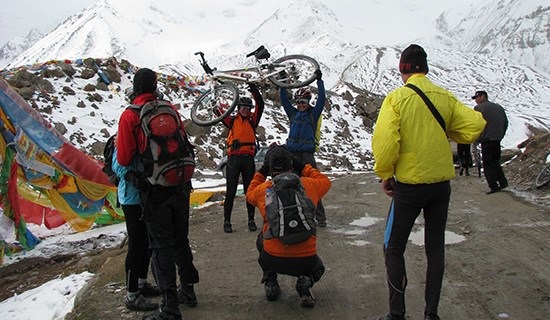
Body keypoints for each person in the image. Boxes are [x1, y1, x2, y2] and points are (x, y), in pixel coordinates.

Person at [372, 44, 486, 320]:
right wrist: (447, 130)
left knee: (393, 248)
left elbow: (386, 142)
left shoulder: (397, 99)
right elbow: (475, 125)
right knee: (434, 248)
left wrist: (386, 173)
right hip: (440, 186)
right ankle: (430, 314)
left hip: (410, 187)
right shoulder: (444, 97)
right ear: (425, 68)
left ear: (403, 70)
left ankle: (397, 313)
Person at [117, 68, 199, 320]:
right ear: (155, 86)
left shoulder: (130, 116)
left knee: (160, 245)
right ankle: (188, 290)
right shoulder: (170, 109)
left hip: (154, 189)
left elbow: (123, 157)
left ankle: (169, 307)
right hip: (180, 183)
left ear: (136, 88)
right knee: (180, 240)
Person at [246, 146, 331, 308]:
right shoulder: (308, 185)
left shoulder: (264, 189)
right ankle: (306, 282)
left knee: (262, 237)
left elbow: (249, 193)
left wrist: (262, 172)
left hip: (273, 259)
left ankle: (271, 283)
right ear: (292, 167)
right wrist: (303, 166)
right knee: (318, 268)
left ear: (271, 170)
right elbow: (326, 181)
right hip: (305, 261)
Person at [112, 143, 160, 312]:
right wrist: (133, 178)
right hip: (131, 199)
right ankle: (132, 295)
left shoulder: (142, 133)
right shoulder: (124, 137)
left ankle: (141, 284)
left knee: (146, 242)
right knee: (135, 245)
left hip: (144, 197)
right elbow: (117, 165)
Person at [279, 69, 327, 227]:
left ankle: (320, 219)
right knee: (292, 188)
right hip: (292, 155)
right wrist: (283, 83)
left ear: (308, 103)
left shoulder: (313, 114)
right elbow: (284, 100)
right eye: (298, 102)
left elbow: (322, 99)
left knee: (312, 187)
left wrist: (319, 81)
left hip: (306, 156)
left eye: (303, 102)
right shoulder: (292, 114)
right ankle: (297, 217)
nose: (300, 105)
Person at [218, 84, 264, 233]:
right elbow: (219, 113)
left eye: (247, 108)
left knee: (248, 191)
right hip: (233, 160)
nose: (245, 110)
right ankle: (227, 222)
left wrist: (254, 91)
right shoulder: (231, 120)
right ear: (238, 108)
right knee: (230, 192)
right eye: (242, 107)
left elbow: (260, 105)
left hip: (248, 160)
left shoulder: (253, 120)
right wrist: (215, 105)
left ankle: (251, 220)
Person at [472, 90, 509, 194]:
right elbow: (505, 122)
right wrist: (501, 135)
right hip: (497, 139)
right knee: (495, 161)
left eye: (477, 98)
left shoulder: (479, 109)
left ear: (483, 97)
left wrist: (476, 138)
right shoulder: (498, 107)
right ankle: (503, 182)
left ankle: (493, 186)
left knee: (487, 163)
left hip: (486, 139)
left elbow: (476, 124)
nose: (476, 100)